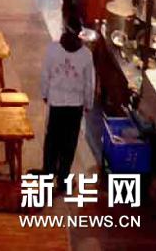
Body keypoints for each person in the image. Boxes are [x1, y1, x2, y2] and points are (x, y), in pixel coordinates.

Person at [40, 16, 95, 186]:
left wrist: (45, 93)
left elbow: (45, 74)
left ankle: (48, 174)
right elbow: (89, 83)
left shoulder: (52, 49)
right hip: (75, 105)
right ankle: (63, 178)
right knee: (69, 142)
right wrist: (88, 103)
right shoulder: (86, 55)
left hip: (56, 102)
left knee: (52, 140)